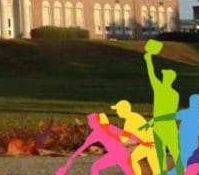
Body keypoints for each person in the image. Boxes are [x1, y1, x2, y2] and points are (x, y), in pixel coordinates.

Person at [56, 113, 153, 175]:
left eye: (90, 121)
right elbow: (127, 134)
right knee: (96, 167)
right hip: (121, 153)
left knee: (96, 167)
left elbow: (126, 134)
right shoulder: (105, 129)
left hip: (120, 154)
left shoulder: (101, 131)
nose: (89, 123)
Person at [144, 44, 183, 174]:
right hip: (161, 127)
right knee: (161, 154)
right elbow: (151, 73)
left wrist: (154, 120)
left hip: (167, 126)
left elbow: (172, 115)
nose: (162, 77)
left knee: (175, 152)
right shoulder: (159, 88)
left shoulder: (172, 94)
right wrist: (148, 59)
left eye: (165, 76)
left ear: (169, 79)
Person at [111, 100, 160, 175]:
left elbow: (128, 140)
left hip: (150, 145)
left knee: (132, 160)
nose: (117, 112)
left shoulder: (131, 119)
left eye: (118, 110)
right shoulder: (132, 117)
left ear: (123, 110)